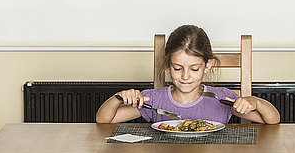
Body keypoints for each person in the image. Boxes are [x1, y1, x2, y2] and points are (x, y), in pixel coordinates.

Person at [96, 25, 280, 125]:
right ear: (167, 65)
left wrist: (255, 102)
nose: (185, 76)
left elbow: (272, 120)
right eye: (177, 68)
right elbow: (104, 120)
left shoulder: (222, 99)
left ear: (207, 65)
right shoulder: (153, 100)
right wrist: (119, 97)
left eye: (194, 69)